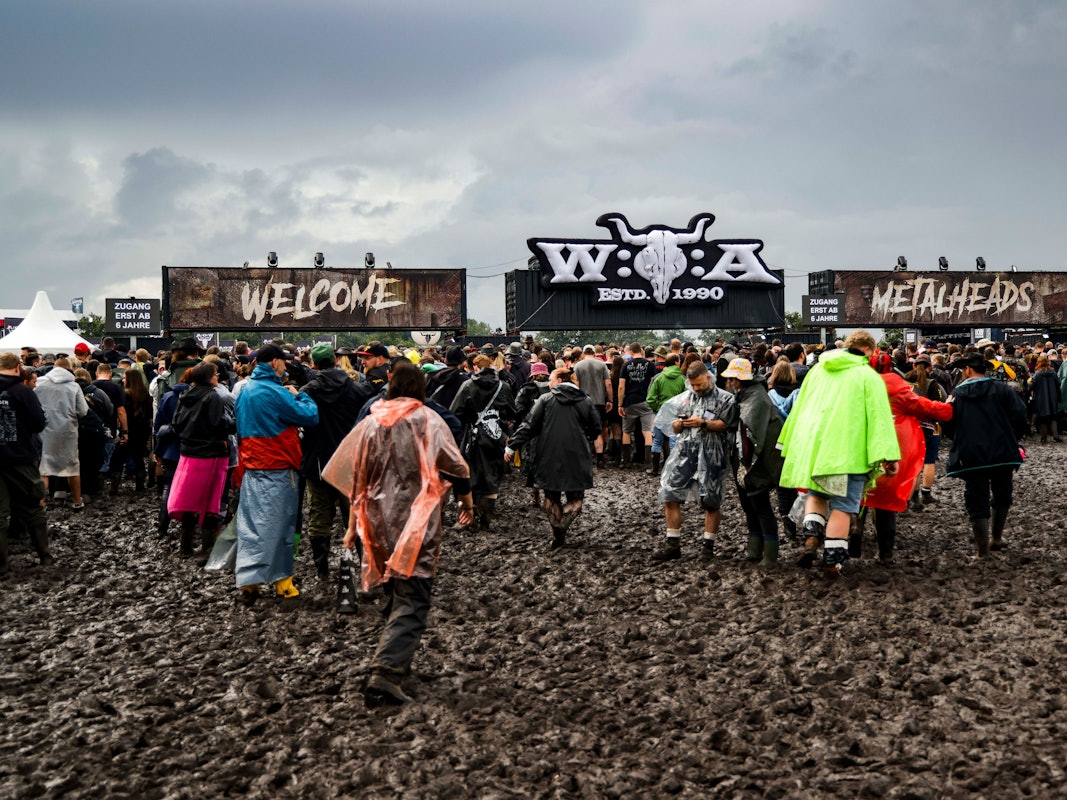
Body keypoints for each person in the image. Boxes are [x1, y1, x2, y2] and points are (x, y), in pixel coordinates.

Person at [322, 360, 474, 706]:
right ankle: (386, 671)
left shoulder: (371, 422)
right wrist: (467, 501)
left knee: (393, 586)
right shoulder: (429, 420)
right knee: (414, 595)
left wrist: (351, 527)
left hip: (375, 522)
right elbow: (457, 466)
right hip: (415, 522)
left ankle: (393, 653)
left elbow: (356, 479)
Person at [777, 330, 900, 574]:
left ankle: (811, 537)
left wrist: (789, 441)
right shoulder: (868, 376)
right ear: (867, 350)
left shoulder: (817, 371)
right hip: (851, 452)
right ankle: (832, 562)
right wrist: (889, 456)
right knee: (843, 507)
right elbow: (879, 419)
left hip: (817, 448)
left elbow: (801, 408)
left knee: (817, 495)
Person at [233, 344, 320, 604]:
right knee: (281, 525)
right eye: (283, 363)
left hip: (252, 466)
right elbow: (309, 416)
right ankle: (282, 582)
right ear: (274, 363)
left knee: (251, 526)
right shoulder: (276, 391)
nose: (285, 367)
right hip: (279, 466)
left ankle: (249, 582)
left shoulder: (245, 390)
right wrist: (300, 396)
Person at [857, 353, 952, 563]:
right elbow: (926, 406)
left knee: (858, 495)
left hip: (861, 447)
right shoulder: (900, 392)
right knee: (885, 503)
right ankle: (886, 554)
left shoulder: (859, 388)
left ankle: (855, 535)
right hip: (890, 450)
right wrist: (947, 408)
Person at [298, 343, 372, 578]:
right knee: (355, 514)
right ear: (336, 360)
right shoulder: (357, 390)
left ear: (314, 364)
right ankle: (365, 567)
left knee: (319, 517)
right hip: (349, 462)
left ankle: (322, 571)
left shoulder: (308, 391)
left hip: (317, 462)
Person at [506, 367, 601, 549]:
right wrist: (584, 436)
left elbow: (529, 425)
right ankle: (564, 522)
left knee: (551, 496)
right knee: (576, 496)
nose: (548, 383)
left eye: (550, 379)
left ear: (559, 381)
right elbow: (595, 428)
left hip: (548, 452)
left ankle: (558, 533)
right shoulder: (585, 400)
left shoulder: (546, 399)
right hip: (577, 453)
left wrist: (511, 446)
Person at [651, 361, 738, 561]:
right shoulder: (685, 398)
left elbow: (727, 425)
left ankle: (708, 547)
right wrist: (680, 424)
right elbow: (672, 427)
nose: (696, 388)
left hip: (713, 453)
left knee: (711, 499)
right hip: (684, 452)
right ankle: (672, 543)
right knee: (670, 492)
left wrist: (703, 423)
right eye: (693, 385)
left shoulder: (726, 398)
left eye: (699, 384)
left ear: (708, 377)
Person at [944, 353, 1028, 556]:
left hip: (971, 454)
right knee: (1002, 494)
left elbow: (948, 422)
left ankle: (982, 549)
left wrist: (959, 438)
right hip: (1002, 451)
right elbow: (1020, 414)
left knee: (976, 499)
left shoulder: (957, 394)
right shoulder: (1002, 389)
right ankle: (996, 538)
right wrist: (1012, 437)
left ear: (967, 370)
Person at [167, 362, 235, 559]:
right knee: (211, 501)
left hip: (188, 454)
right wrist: (236, 425)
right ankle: (207, 549)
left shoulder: (185, 395)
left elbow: (176, 424)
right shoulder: (212, 396)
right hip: (211, 455)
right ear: (208, 377)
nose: (217, 377)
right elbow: (219, 424)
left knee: (189, 501)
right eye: (215, 374)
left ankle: (185, 548)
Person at [721, 358, 785, 566]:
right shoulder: (744, 395)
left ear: (741, 379)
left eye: (732, 378)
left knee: (761, 505)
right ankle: (754, 549)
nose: (729, 382)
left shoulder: (757, 397)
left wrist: (747, 463)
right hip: (744, 458)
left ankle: (770, 554)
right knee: (748, 505)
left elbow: (753, 434)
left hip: (756, 461)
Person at [449, 354, 518, 531]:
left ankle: (466, 517)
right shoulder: (503, 387)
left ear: (475, 367)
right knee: (492, 477)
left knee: (468, 475)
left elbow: (455, 412)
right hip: (496, 437)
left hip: (471, 438)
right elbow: (512, 412)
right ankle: (485, 521)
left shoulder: (467, 385)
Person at [0, 352, 52, 574]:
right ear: (17, 368)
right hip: (20, 457)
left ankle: (2, 564)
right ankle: (44, 555)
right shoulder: (23, 391)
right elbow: (39, 423)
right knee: (32, 506)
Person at [34, 357, 89, 510]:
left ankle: (40, 504)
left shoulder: (39, 384)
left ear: (54, 367)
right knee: (72, 467)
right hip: (67, 431)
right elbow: (83, 411)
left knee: (44, 468)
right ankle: (77, 501)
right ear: (69, 369)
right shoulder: (74, 386)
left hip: (44, 430)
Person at [909, 354, 948, 507]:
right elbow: (940, 403)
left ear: (914, 365)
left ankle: (912, 496)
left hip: (910, 427)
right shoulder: (933, 384)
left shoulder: (906, 382)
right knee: (929, 461)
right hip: (931, 427)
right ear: (930, 367)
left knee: (913, 464)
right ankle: (926, 493)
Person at [513, 361, 551, 507]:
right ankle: (549, 495)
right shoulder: (553, 388)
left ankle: (535, 496)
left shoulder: (526, 388)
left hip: (531, 430)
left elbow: (518, 408)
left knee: (533, 462)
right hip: (550, 429)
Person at [645, 353, 687, 476]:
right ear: (676, 362)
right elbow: (686, 399)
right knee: (674, 442)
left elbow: (650, 398)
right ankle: (673, 471)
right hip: (676, 414)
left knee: (657, 441)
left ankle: (655, 469)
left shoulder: (658, 378)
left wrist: (656, 409)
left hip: (661, 412)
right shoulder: (682, 379)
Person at [572, 345, 612, 467]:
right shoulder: (602, 365)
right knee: (598, 431)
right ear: (594, 353)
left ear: (583, 353)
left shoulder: (578, 366)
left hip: (582, 402)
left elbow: (576, 385)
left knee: (582, 430)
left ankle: (584, 457)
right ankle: (600, 457)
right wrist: (610, 400)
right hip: (599, 401)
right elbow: (608, 383)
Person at [618, 342, 655, 468]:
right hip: (646, 400)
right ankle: (649, 462)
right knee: (647, 431)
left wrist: (620, 404)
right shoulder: (650, 365)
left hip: (630, 401)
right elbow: (653, 384)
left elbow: (621, 386)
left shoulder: (626, 365)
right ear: (641, 351)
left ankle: (626, 461)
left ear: (631, 352)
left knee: (626, 431)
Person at [1029, 355, 1061, 443]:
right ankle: (1055, 435)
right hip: (1053, 398)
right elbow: (1058, 384)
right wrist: (1058, 397)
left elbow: (1031, 385)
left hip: (1040, 398)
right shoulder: (1053, 373)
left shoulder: (1037, 374)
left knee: (1042, 418)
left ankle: (1044, 437)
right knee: (1053, 417)